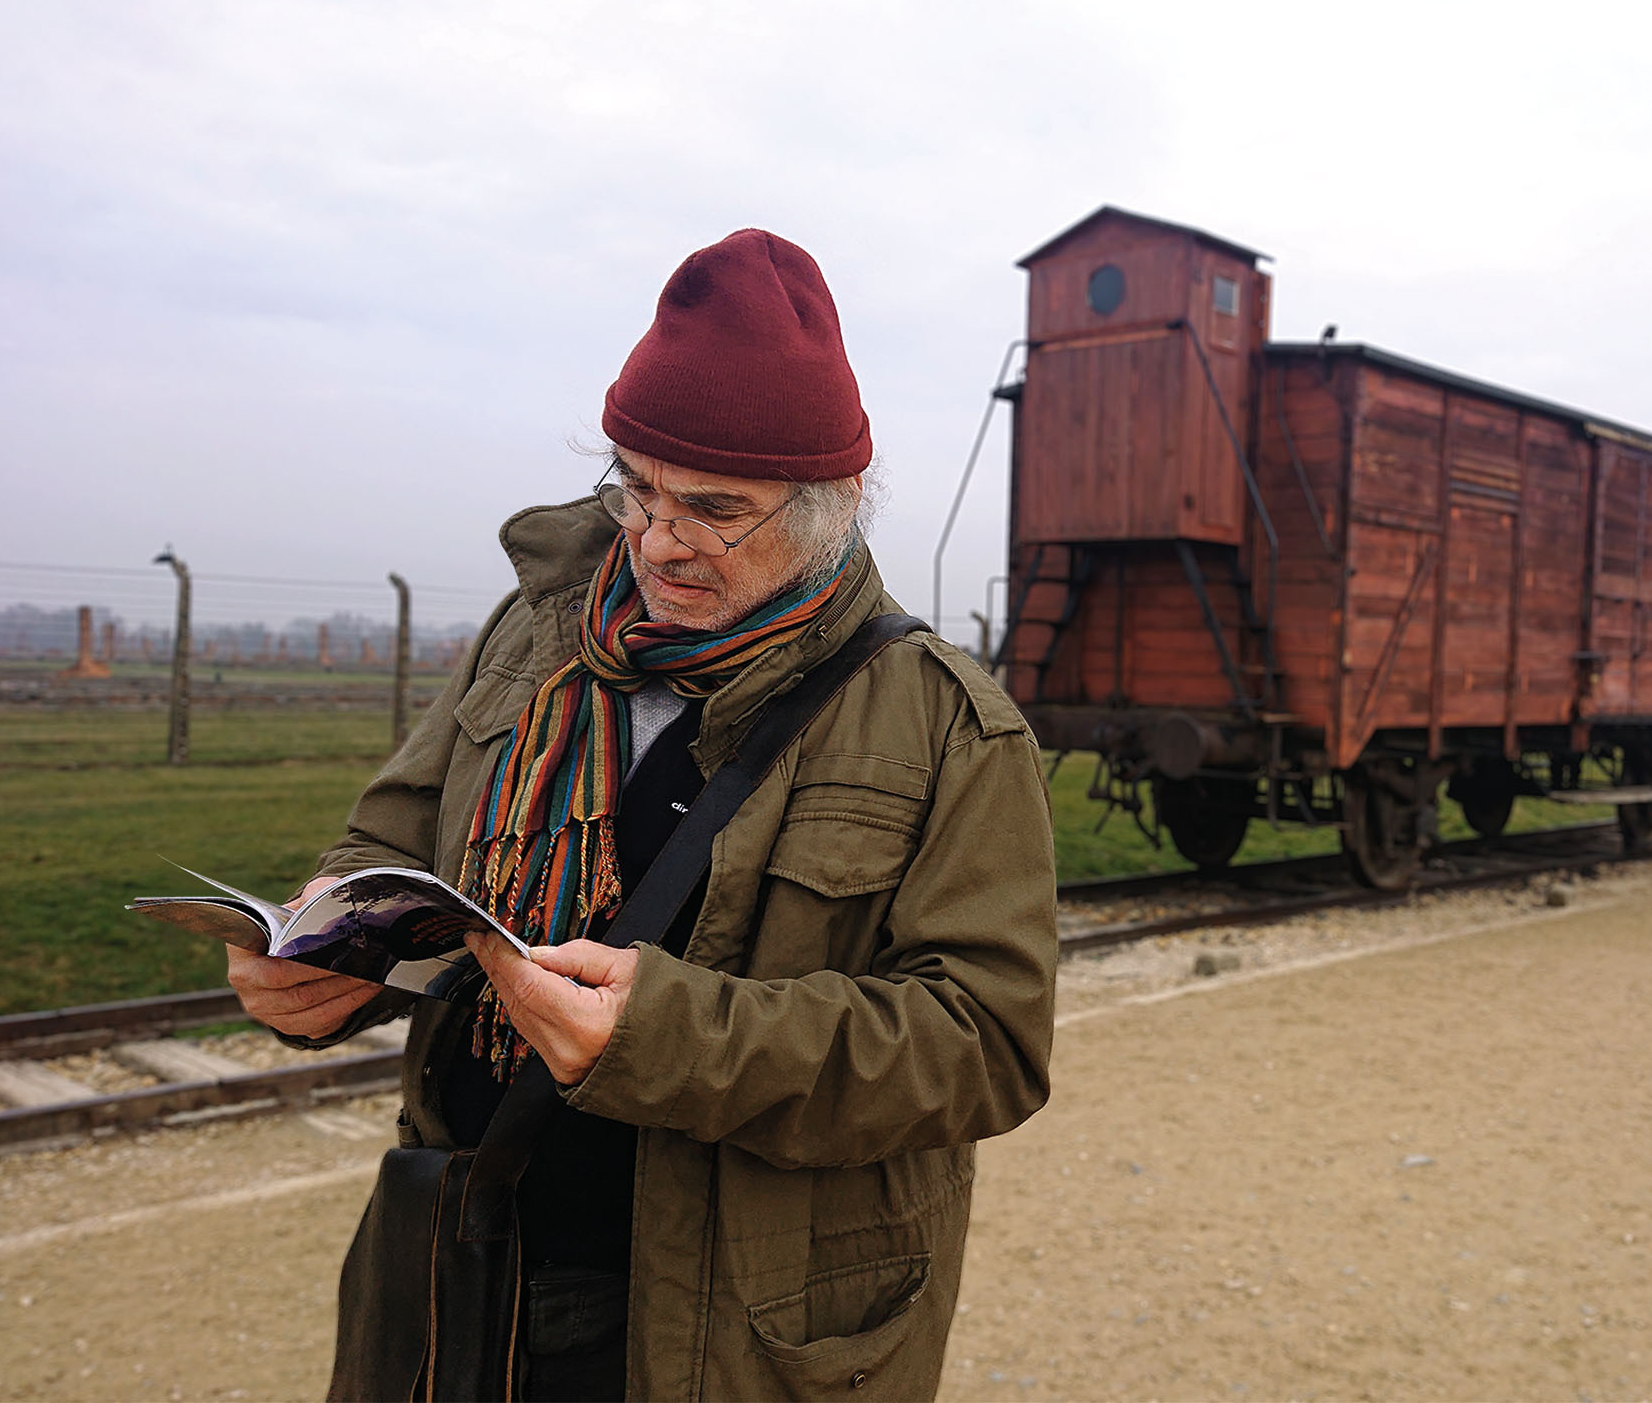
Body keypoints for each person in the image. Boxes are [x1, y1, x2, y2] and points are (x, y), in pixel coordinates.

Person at [225, 230, 1060, 1399]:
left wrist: (672, 1041)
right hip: (466, 1265)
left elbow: (986, 1045)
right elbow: (391, 843)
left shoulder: (942, 724)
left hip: (736, 1327)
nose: (660, 542)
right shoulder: (534, 638)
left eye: (715, 509)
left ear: (835, 506)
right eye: (637, 489)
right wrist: (323, 947)